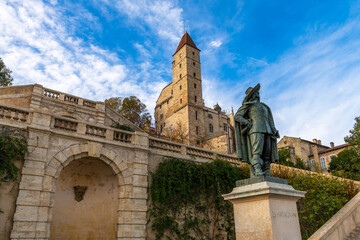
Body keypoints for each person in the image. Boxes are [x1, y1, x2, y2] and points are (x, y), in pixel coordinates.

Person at [234, 83, 279, 177]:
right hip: (255, 129)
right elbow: (237, 116)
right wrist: (246, 122)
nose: (258, 94)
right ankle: (257, 169)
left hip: (268, 131)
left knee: (267, 153)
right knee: (257, 152)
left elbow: (270, 120)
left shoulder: (265, 106)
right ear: (252, 95)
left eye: (258, 92)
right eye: (256, 92)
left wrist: (274, 130)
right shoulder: (248, 105)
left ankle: (266, 170)